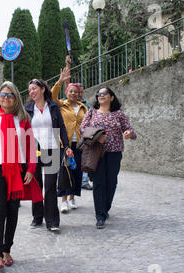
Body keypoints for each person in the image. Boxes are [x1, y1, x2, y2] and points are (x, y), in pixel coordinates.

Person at [0, 81, 43, 269]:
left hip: (18, 169)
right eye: (3, 95)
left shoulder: (23, 118)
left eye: (10, 95)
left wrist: (30, 169)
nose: (6, 98)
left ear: (15, 98)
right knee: (0, 211)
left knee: (13, 211)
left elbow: (31, 146)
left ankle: (7, 250)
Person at [80, 86, 136, 229]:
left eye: (105, 93)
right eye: (99, 93)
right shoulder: (91, 113)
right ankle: (100, 215)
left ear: (111, 97)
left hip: (114, 152)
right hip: (96, 153)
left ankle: (105, 208)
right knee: (98, 183)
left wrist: (129, 133)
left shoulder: (119, 114)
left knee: (111, 183)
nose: (101, 95)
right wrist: (97, 137)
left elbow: (130, 130)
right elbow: (82, 129)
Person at [25, 79, 72, 232]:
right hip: (34, 151)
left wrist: (66, 146)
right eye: (30, 90)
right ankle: (37, 217)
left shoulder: (52, 106)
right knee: (36, 184)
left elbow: (62, 127)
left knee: (50, 185)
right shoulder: (28, 108)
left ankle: (52, 220)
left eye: (34, 89)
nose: (31, 92)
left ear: (43, 89)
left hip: (52, 149)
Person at [52, 64, 88, 213]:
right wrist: (60, 82)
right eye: (70, 91)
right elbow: (52, 96)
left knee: (76, 171)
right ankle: (64, 200)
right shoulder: (61, 105)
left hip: (79, 144)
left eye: (76, 91)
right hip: (64, 144)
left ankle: (73, 198)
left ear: (79, 94)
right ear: (66, 92)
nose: (73, 93)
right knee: (64, 171)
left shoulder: (83, 108)